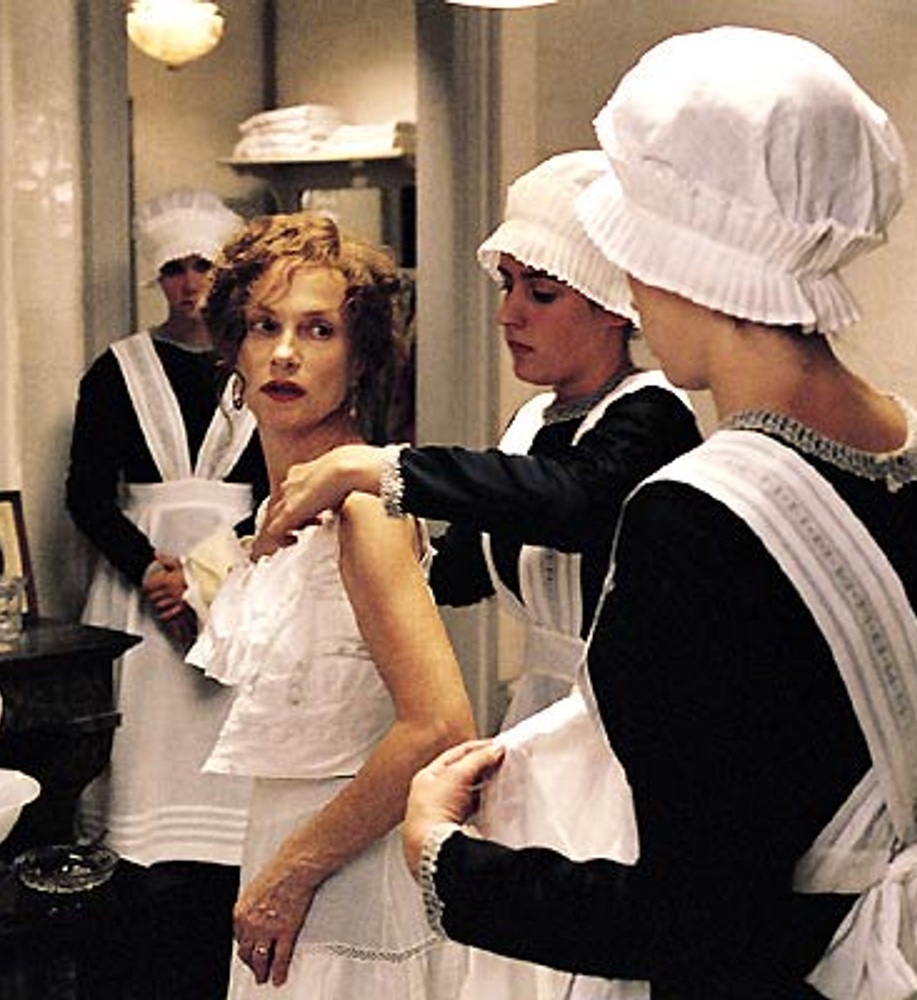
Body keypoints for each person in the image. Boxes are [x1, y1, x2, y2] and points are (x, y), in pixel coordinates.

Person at [400, 25, 917, 1000]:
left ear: (675, 260)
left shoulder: (692, 522)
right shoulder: (903, 455)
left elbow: (698, 920)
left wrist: (445, 860)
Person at [262, 152, 701, 731]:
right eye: (508, 285)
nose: (507, 314)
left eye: (541, 294)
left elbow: (570, 498)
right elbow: (462, 570)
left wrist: (378, 467)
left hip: (635, 719)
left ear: (613, 307)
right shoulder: (533, 424)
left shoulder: (655, 413)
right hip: (543, 710)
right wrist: (346, 549)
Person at [185, 211, 476, 999]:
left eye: (318, 330)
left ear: (361, 358)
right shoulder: (284, 505)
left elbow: (439, 725)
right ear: (234, 350)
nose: (285, 352)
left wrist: (293, 873)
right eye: (264, 326)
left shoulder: (362, 507)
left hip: (355, 870)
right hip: (287, 843)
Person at [66, 188, 267, 1000]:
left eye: (203, 267)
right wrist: (150, 568)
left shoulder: (264, 366)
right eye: (174, 269)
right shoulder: (117, 370)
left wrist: (207, 574)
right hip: (138, 594)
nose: (189, 285)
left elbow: (281, 492)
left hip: (241, 584)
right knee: (145, 769)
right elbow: (86, 493)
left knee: (229, 781)